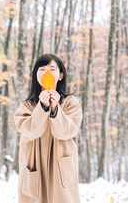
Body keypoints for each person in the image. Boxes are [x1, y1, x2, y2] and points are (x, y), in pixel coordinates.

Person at [14, 54, 82, 203]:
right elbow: (31, 131)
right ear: (36, 75)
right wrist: (42, 107)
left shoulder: (71, 103)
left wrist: (55, 108)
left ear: (60, 75)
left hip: (62, 168)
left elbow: (67, 132)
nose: (47, 73)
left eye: (52, 69)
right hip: (34, 167)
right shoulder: (26, 106)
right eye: (42, 69)